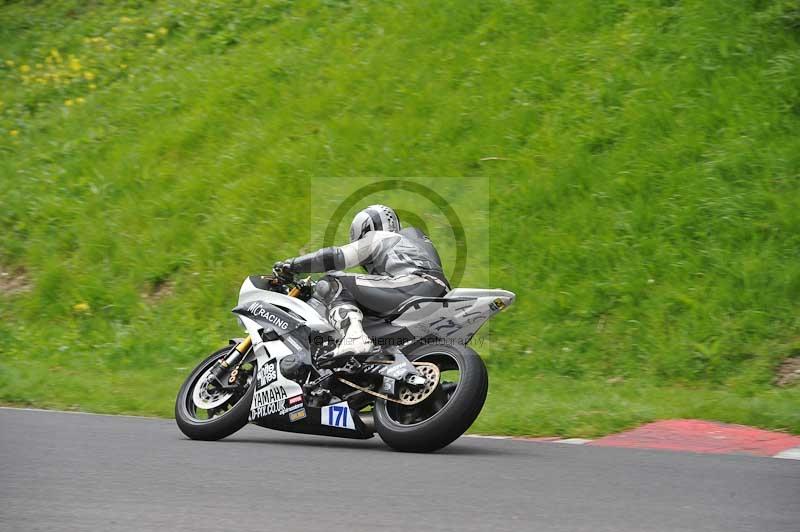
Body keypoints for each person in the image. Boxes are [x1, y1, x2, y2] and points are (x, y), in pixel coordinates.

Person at [274, 204, 450, 358]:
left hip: (415, 285)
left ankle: (354, 338)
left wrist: (292, 265)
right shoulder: (411, 244)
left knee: (334, 281)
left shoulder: (378, 237)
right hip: (437, 296)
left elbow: (334, 257)